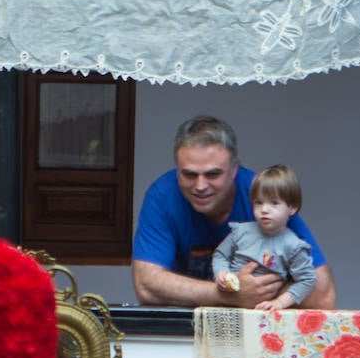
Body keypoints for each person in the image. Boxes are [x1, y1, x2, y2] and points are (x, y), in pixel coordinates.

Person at [131, 116, 337, 309]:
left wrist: (263, 295)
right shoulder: (162, 195)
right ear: (177, 170)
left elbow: (322, 294)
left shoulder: (263, 196)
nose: (200, 186)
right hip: (186, 330)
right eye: (189, 174)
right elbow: (146, 286)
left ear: (234, 169)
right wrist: (227, 294)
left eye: (213, 174)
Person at [212, 165, 315, 311]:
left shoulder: (293, 245)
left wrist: (279, 302)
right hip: (229, 306)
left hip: (265, 312)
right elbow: (220, 254)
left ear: (292, 208)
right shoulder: (240, 231)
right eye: (258, 202)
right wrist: (221, 273)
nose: (264, 210)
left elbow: (307, 279)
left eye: (274, 203)